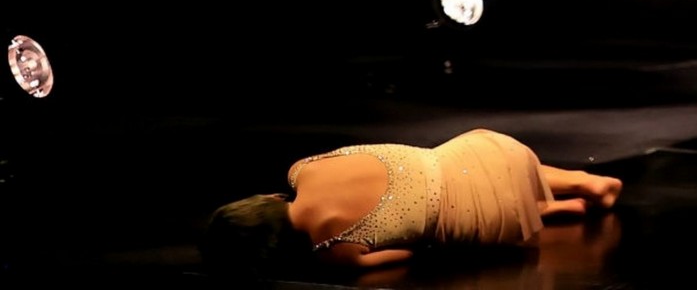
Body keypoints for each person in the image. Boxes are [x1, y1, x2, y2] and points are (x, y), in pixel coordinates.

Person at [199, 126, 622, 273]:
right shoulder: (304, 168)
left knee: (460, 213)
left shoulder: (333, 249)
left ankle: (549, 210)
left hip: (484, 223)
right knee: (472, 168)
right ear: (263, 201)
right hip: (489, 152)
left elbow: (406, 255)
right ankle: (581, 183)